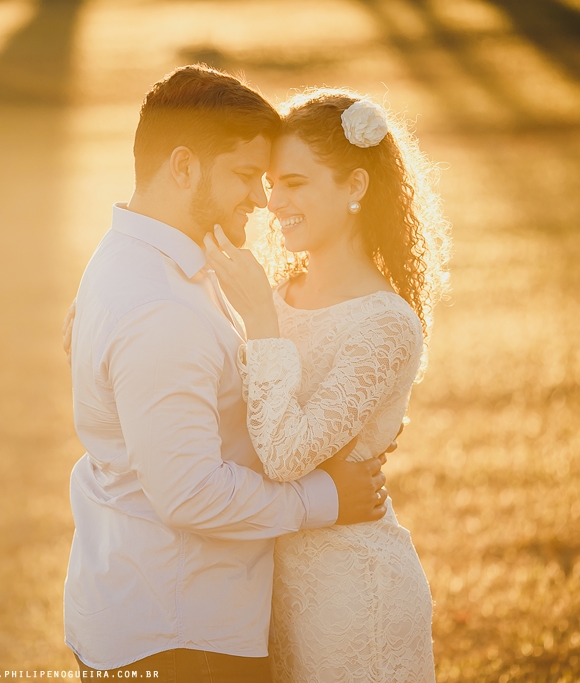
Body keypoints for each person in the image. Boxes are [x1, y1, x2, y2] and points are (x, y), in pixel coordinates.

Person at [62, 65, 390, 682]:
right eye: (245, 175)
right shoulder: (160, 306)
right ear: (183, 167)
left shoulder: (138, 257)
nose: (261, 200)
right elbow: (191, 492)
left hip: (146, 605)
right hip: (181, 633)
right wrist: (325, 497)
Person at [203, 88, 451, 681]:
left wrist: (261, 322)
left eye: (294, 183)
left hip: (354, 595)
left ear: (355, 185)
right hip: (272, 589)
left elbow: (286, 456)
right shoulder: (275, 295)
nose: (272, 202)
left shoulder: (385, 323)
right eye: (271, 184)